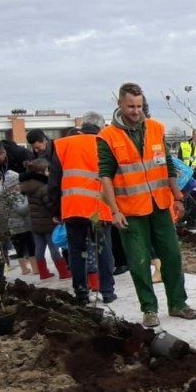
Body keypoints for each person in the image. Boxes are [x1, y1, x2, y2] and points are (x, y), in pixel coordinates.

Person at [99, 82, 196, 328]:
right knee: (139, 261)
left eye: (139, 106)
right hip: (131, 210)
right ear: (120, 104)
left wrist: (177, 197)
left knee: (172, 256)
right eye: (130, 106)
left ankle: (178, 303)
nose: (136, 111)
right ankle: (149, 308)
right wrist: (114, 211)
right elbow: (105, 177)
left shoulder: (155, 128)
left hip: (160, 205)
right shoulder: (107, 137)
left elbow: (167, 165)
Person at [48, 112, 116, 303]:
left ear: (82, 126)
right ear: (101, 127)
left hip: (73, 208)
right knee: (103, 250)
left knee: (77, 252)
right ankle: (107, 291)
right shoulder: (106, 143)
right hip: (100, 207)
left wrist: (56, 211)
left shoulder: (63, 145)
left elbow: (54, 183)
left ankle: (81, 292)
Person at [19, 158, 68, 280]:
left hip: (35, 223)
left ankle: (43, 272)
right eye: (47, 170)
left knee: (39, 248)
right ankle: (63, 272)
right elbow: (50, 205)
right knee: (54, 248)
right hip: (48, 223)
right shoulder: (44, 187)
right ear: (41, 172)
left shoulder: (28, 187)